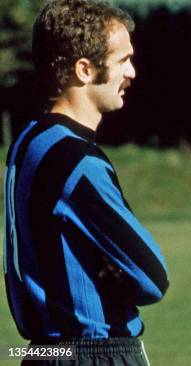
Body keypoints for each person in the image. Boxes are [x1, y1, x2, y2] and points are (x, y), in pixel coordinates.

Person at [3, 1, 169, 365]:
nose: (133, 72)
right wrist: (115, 271)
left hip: (42, 351)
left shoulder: (27, 142)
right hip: (95, 353)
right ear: (85, 69)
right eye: (123, 59)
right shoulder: (77, 161)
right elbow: (153, 277)